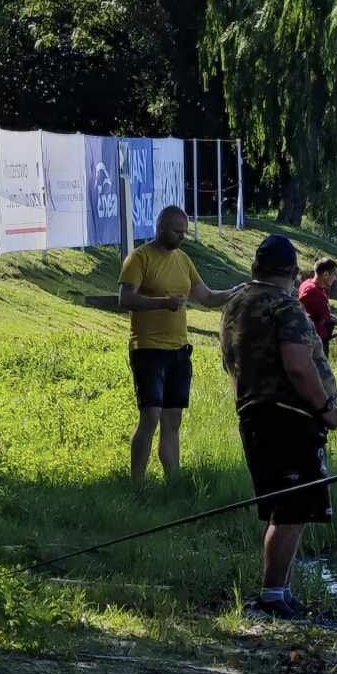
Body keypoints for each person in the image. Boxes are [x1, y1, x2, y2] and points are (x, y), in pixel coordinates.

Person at [219, 234, 337, 620]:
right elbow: (297, 364)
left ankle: (280, 590)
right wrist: (325, 407)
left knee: (283, 507)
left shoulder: (236, 304)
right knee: (292, 508)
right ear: (292, 272)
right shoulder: (284, 307)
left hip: (254, 413)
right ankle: (273, 596)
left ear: (256, 267)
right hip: (291, 417)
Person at [118, 204, 239, 484]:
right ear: (160, 228)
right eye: (177, 231)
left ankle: (174, 480)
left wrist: (234, 292)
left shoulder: (183, 260)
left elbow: (207, 297)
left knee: (172, 420)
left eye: (184, 232)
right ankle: (137, 481)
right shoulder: (139, 258)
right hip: (148, 348)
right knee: (150, 415)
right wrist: (164, 303)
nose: (182, 237)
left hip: (179, 351)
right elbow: (125, 299)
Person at [298, 257, 337, 349]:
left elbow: (326, 314)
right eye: (335, 275)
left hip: (315, 337)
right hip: (315, 342)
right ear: (326, 274)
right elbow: (327, 318)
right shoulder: (314, 292)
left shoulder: (307, 283)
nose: (336, 278)